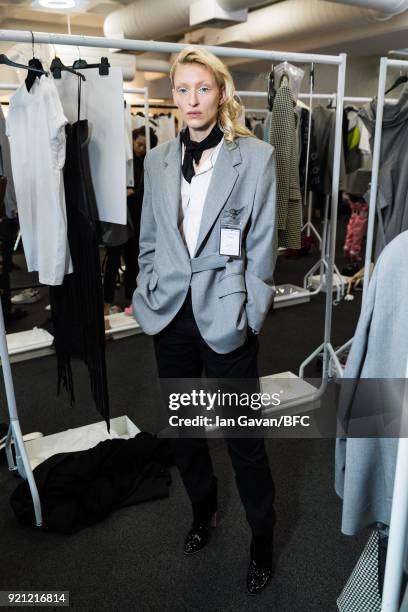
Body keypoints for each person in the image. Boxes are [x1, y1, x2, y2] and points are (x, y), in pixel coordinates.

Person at [133, 46, 278, 595]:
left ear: (221, 93)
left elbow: (263, 246)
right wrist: (149, 285)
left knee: (244, 439)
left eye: (203, 88)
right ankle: (204, 512)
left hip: (226, 314)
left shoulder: (255, 158)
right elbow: (150, 238)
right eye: (181, 90)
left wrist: (251, 312)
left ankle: (262, 542)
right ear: (173, 97)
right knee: (186, 433)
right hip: (170, 315)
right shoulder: (158, 160)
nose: (191, 100)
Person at [103, 126, 158, 315]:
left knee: (134, 259)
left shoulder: (147, 163)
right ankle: (106, 300)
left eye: (144, 146)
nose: (141, 148)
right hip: (119, 216)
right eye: (138, 144)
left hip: (137, 217)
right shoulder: (123, 160)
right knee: (113, 258)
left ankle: (132, 299)